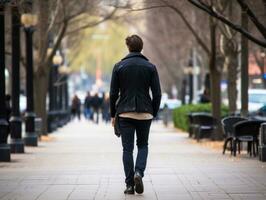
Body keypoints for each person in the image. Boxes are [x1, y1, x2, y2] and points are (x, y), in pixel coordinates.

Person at [110, 35, 161, 195]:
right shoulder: (150, 67)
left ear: (128, 47)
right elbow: (157, 94)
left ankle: (130, 185)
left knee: (127, 149)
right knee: (143, 145)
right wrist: (153, 111)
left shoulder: (119, 66)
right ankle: (139, 172)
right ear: (141, 47)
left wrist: (113, 114)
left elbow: (112, 93)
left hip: (125, 113)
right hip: (145, 113)